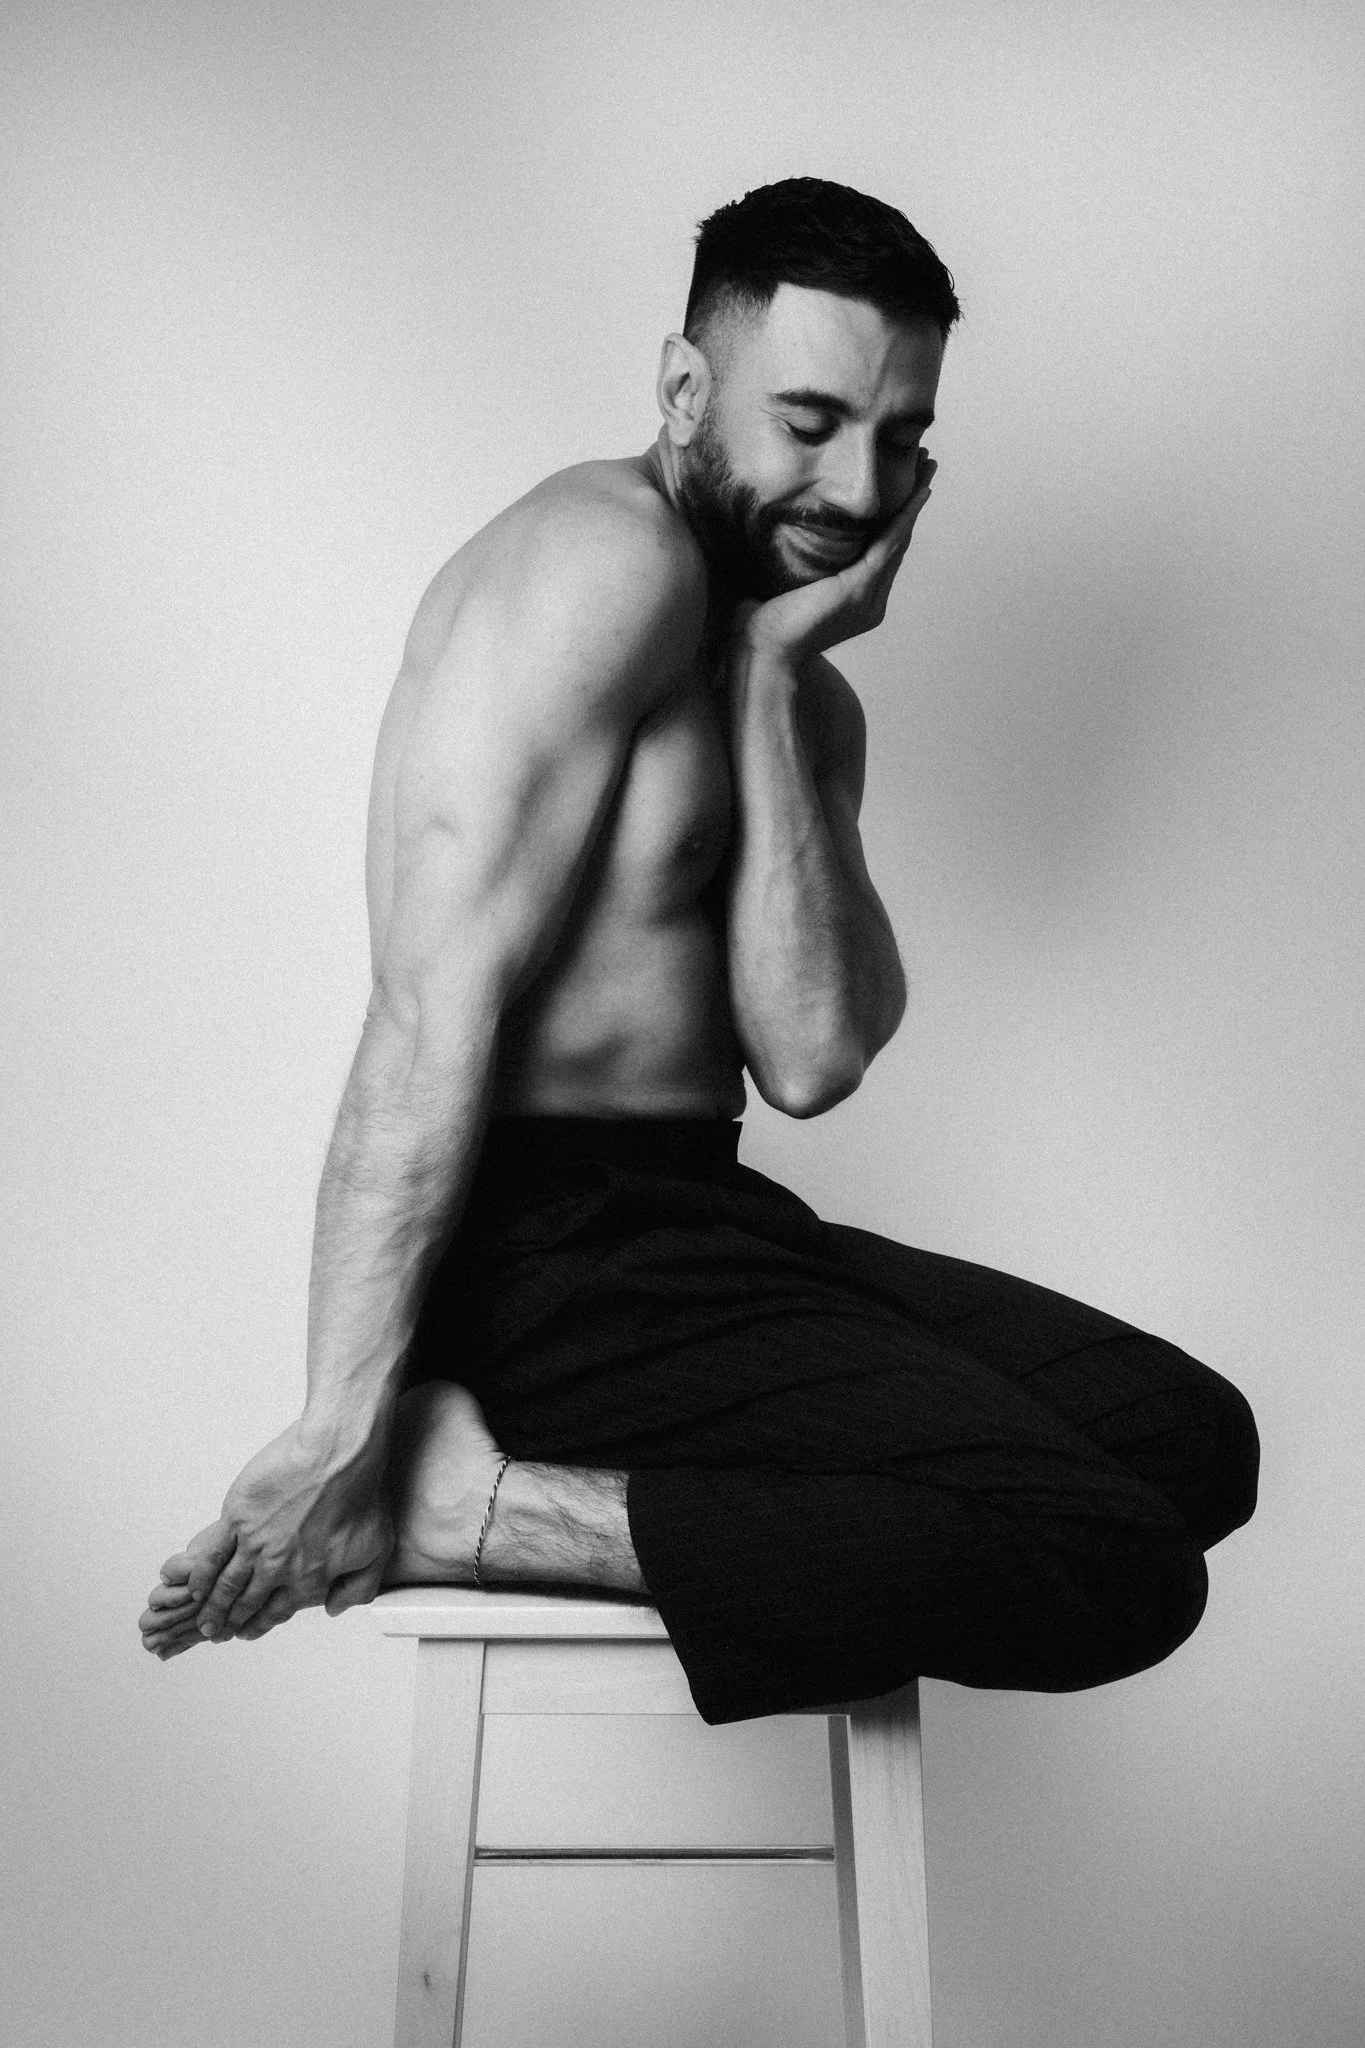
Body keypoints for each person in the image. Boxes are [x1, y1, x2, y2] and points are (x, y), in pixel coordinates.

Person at [139, 178, 1257, 1724]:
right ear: (684, 388)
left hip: (697, 1223)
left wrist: (771, 680)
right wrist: (341, 1419)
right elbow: (424, 1007)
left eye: (901, 438)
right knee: (1112, 1559)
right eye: (808, 421)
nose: (860, 487)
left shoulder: (788, 680)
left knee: (1190, 1445)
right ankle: (471, 1507)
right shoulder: (595, 565)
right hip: (542, 1259)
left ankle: (536, 1504)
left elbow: (808, 1058)